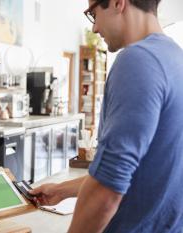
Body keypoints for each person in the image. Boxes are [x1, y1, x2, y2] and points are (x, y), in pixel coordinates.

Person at [30, 0, 183, 232]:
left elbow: (108, 189)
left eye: (93, 13)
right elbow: (136, 172)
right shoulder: (175, 58)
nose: (94, 28)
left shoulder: (138, 60)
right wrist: (61, 190)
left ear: (117, 3)